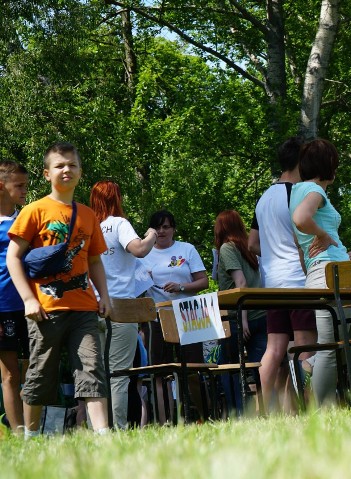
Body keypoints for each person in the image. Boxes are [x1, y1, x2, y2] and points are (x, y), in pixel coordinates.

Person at [6, 142, 112, 438]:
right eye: (59, 165)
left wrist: (104, 296)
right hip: (44, 311)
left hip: (84, 310)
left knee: (92, 370)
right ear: (46, 173)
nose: (67, 170)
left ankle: (103, 436)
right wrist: (28, 299)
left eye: (72, 165)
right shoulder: (34, 210)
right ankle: (31, 437)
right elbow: (13, 257)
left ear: (80, 171)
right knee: (39, 375)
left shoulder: (89, 215)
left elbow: (94, 261)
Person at [291, 138, 351, 406]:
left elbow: (300, 244)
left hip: (332, 271)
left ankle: (309, 365)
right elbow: (301, 220)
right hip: (329, 275)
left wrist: (343, 254)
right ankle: (320, 416)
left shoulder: (297, 191)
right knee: (331, 348)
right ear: (327, 164)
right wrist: (323, 237)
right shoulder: (315, 191)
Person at [253, 137, 317, 413]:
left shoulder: (264, 198)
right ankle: (306, 407)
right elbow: (302, 233)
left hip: (272, 283)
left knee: (274, 349)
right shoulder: (299, 194)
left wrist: (273, 253)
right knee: (306, 346)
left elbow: (252, 243)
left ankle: (262, 410)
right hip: (297, 280)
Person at [88, 180, 157, 429]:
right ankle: (117, 429)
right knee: (118, 374)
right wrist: (151, 235)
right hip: (121, 309)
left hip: (92, 308)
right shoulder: (119, 224)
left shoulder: (89, 227)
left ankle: (97, 429)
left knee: (96, 374)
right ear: (116, 199)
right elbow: (138, 250)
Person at [140, 210, 209, 422]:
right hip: (156, 318)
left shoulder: (186, 249)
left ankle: (204, 416)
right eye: (157, 227)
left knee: (193, 371)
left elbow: (203, 282)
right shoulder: (143, 254)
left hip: (189, 314)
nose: (161, 231)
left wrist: (181, 286)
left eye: (166, 226)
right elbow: (135, 290)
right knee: (159, 372)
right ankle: (165, 421)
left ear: (173, 229)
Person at [213, 209, 267, 413]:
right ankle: (264, 410)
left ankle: (239, 414)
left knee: (228, 367)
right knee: (259, 366)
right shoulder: (249, 247)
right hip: (261, 314)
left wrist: (242, 318)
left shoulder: (228, 248)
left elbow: (240, 283)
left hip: (237, 317)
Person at [0, 160, 30, 434]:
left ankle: (33, 429)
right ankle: (18, 432)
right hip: (3, 308)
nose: (24, 190)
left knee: (36, 369)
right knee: (9, 374)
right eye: (19, 185)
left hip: (34, 304)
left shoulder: (28, 218)